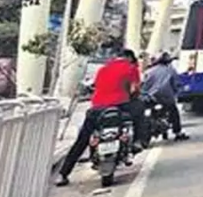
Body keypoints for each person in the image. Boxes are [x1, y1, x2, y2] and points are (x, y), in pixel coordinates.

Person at [56, 48, 143, 186]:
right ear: (130, 58)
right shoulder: (131, 68)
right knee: (140, 109)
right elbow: (134, 89)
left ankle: (63, 173)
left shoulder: (103, 69)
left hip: (97, 109)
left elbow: (96, 87)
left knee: (82, 140)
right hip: (120, 107)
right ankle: (138, 141)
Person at [141, 52, 188, 142]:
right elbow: (176, 83)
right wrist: (176, 92)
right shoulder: (171, 70)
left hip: (151, 98)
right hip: (166, 98)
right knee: (174, 112)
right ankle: (177, 132)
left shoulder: (149, 72)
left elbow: (143, 86)